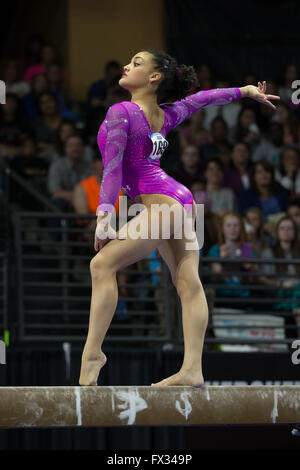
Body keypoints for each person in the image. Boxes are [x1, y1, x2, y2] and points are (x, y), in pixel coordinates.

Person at [78, 49, 280, 387]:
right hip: (183, 202)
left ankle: (93, 354)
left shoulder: (121, 111)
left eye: (137, 63)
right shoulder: (163, 115)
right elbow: (202, 99)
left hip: (163, 206)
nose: (127, 66)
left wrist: (103, 218)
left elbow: (112, 170)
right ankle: (192, 370)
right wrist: (245, 92)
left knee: (101, 266)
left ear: (155, 77)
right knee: (188, 283)